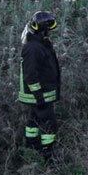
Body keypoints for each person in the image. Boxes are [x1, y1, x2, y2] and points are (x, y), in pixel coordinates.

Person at [18, 11, 61, 161]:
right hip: (39, 94)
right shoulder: (34, 48)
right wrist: (39, 97)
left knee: (33, 121)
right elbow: (30, 75)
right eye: (48, 30)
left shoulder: (39, 43)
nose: (49, 33)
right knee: (49, 123)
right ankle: (49, 154)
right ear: (42, 29)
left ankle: (31, 146)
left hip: (40, 94)